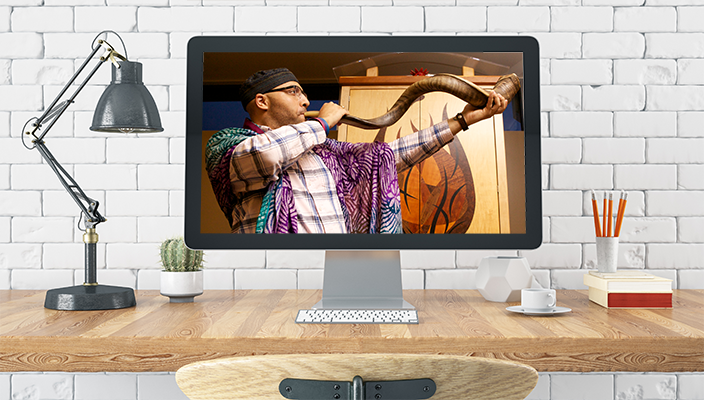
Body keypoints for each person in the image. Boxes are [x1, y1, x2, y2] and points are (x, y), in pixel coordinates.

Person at [206, 68, 507, 234]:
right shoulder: (231, 147)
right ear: (262, 102)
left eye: (304, 92)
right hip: (275, 271)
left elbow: (391, 155)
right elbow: (267, 156)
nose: (304, 100)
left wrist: (463, 120)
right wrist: (323, 122)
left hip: (336, 260)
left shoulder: (325, 151)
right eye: (293, 91)